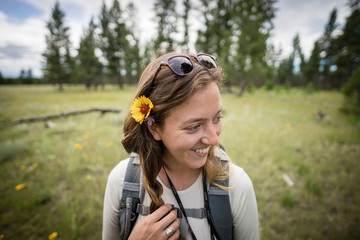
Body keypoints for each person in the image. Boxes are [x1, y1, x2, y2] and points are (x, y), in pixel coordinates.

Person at [102, 52, 259, 240]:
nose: (213, 140)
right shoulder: (122, 183)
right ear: (154, 128)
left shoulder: (236, 186)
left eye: (217, 118)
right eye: (194, 126)